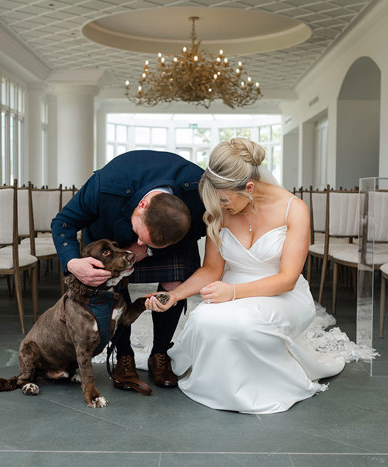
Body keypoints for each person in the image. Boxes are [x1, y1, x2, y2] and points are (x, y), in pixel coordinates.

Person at [146, 138, 346, 414]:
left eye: (225, 199)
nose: (220, 205)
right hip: (231, 290)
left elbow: (288, 278)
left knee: (242, 324)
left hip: (282, 294)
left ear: (249, 188)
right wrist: (175, 295)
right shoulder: (219, 210)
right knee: (203, 319)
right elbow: (212, 271)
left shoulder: (293, 208)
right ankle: (217, 387)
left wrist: (234, 293)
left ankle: (257, 390)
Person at [52, 150, 206, 394]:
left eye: (150, 244)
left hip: (176, 238)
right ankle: (123, 355)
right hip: (112, 237)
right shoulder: (105, 185)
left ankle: (160, 353)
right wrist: (72, 262)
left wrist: (152, 251)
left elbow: (199, 233)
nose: (140, 247)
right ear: (142, 205)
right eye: (140, 237)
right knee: (111, 287)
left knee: (175, 284)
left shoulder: (200, 193)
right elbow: (63, 223)